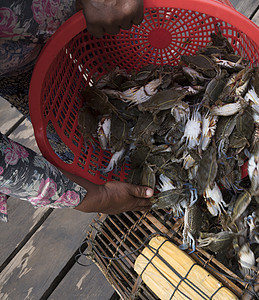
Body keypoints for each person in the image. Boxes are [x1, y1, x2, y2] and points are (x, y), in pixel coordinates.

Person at [0, 0, 153, 222]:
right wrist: (95, 197)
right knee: (71, 132)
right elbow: (8, 168)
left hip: (65, 15)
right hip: (15, 71)